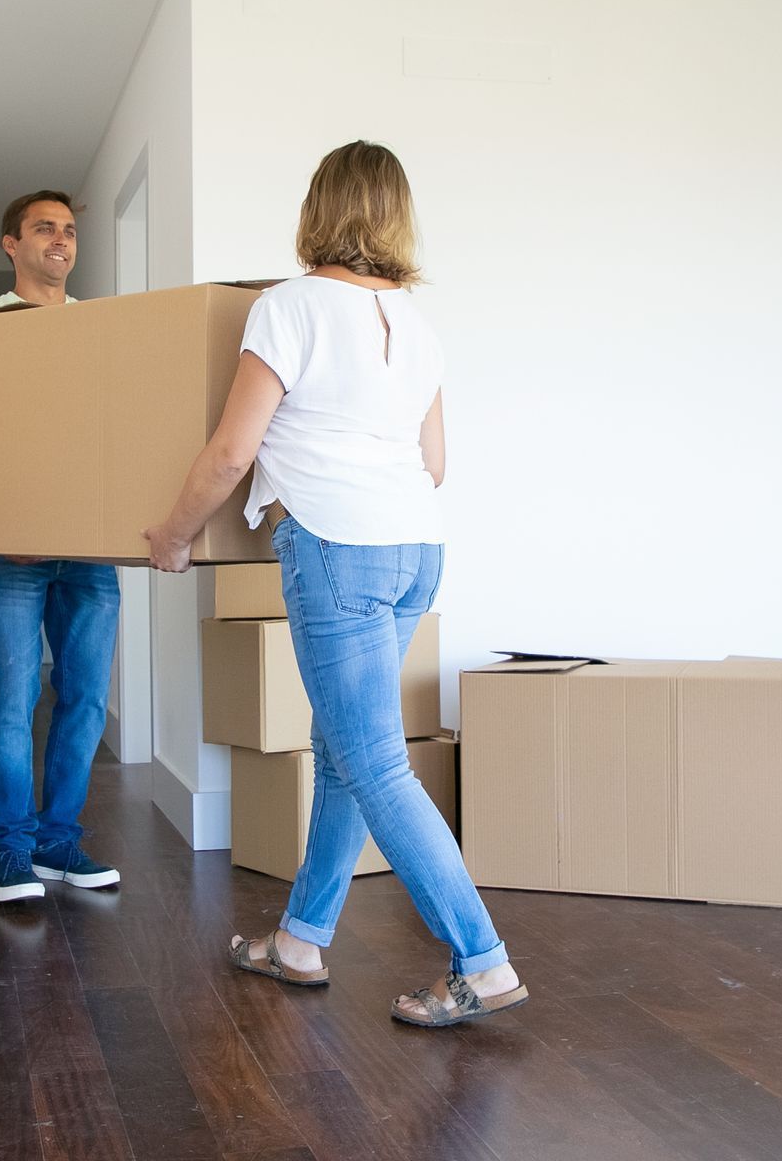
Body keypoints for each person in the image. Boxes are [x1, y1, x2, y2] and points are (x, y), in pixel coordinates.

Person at [143, 142, 526, 1027]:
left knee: (373, 762)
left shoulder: (288, 308)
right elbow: (434, 461)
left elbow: (233, 451)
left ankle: (484, 961)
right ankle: (301, 939)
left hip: (338, 549)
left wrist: (172, 536)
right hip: (415, 552)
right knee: (344, 751)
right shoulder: (418, 326)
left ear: (319, 208)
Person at [0, 189, 122, 904]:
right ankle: (12, 850)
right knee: (14, 697)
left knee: (86, 697)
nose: (61, 239)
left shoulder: (104, 330)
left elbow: (119, 433)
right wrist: (7, 524)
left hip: (90, 546)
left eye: (69, 230)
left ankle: (61, 842)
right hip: (12, 554)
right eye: (43, 228)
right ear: (11, 243)